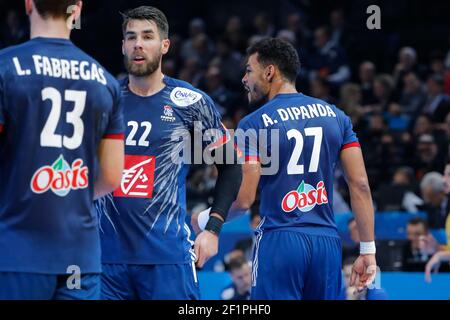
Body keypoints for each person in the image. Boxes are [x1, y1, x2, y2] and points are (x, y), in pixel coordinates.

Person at [96, 6, 242, 300]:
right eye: (131, 37)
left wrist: (213, 229)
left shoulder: (190, 103)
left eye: (147, 37)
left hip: (167, 259)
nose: (138, 44)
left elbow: (231, 167)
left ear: (164, 45)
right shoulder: (104, 99)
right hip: (104, 260)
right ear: (123, 45)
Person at [231, 38, 376, 299]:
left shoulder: (251, 124)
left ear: (270, 71)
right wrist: (367, 250)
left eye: (249, 70)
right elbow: (361, 185)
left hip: (280, 237)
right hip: (327, 243)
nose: (244, 78)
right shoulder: (337, 116)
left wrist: (210, 220)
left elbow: (244, 200)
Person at [0, 0, 124, 300]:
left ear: (29, 4)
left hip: (16, 251)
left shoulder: (6, 67)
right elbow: (111, 176)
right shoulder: (105, 81)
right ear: (77, 9)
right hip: (79, 256)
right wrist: (68, 188)